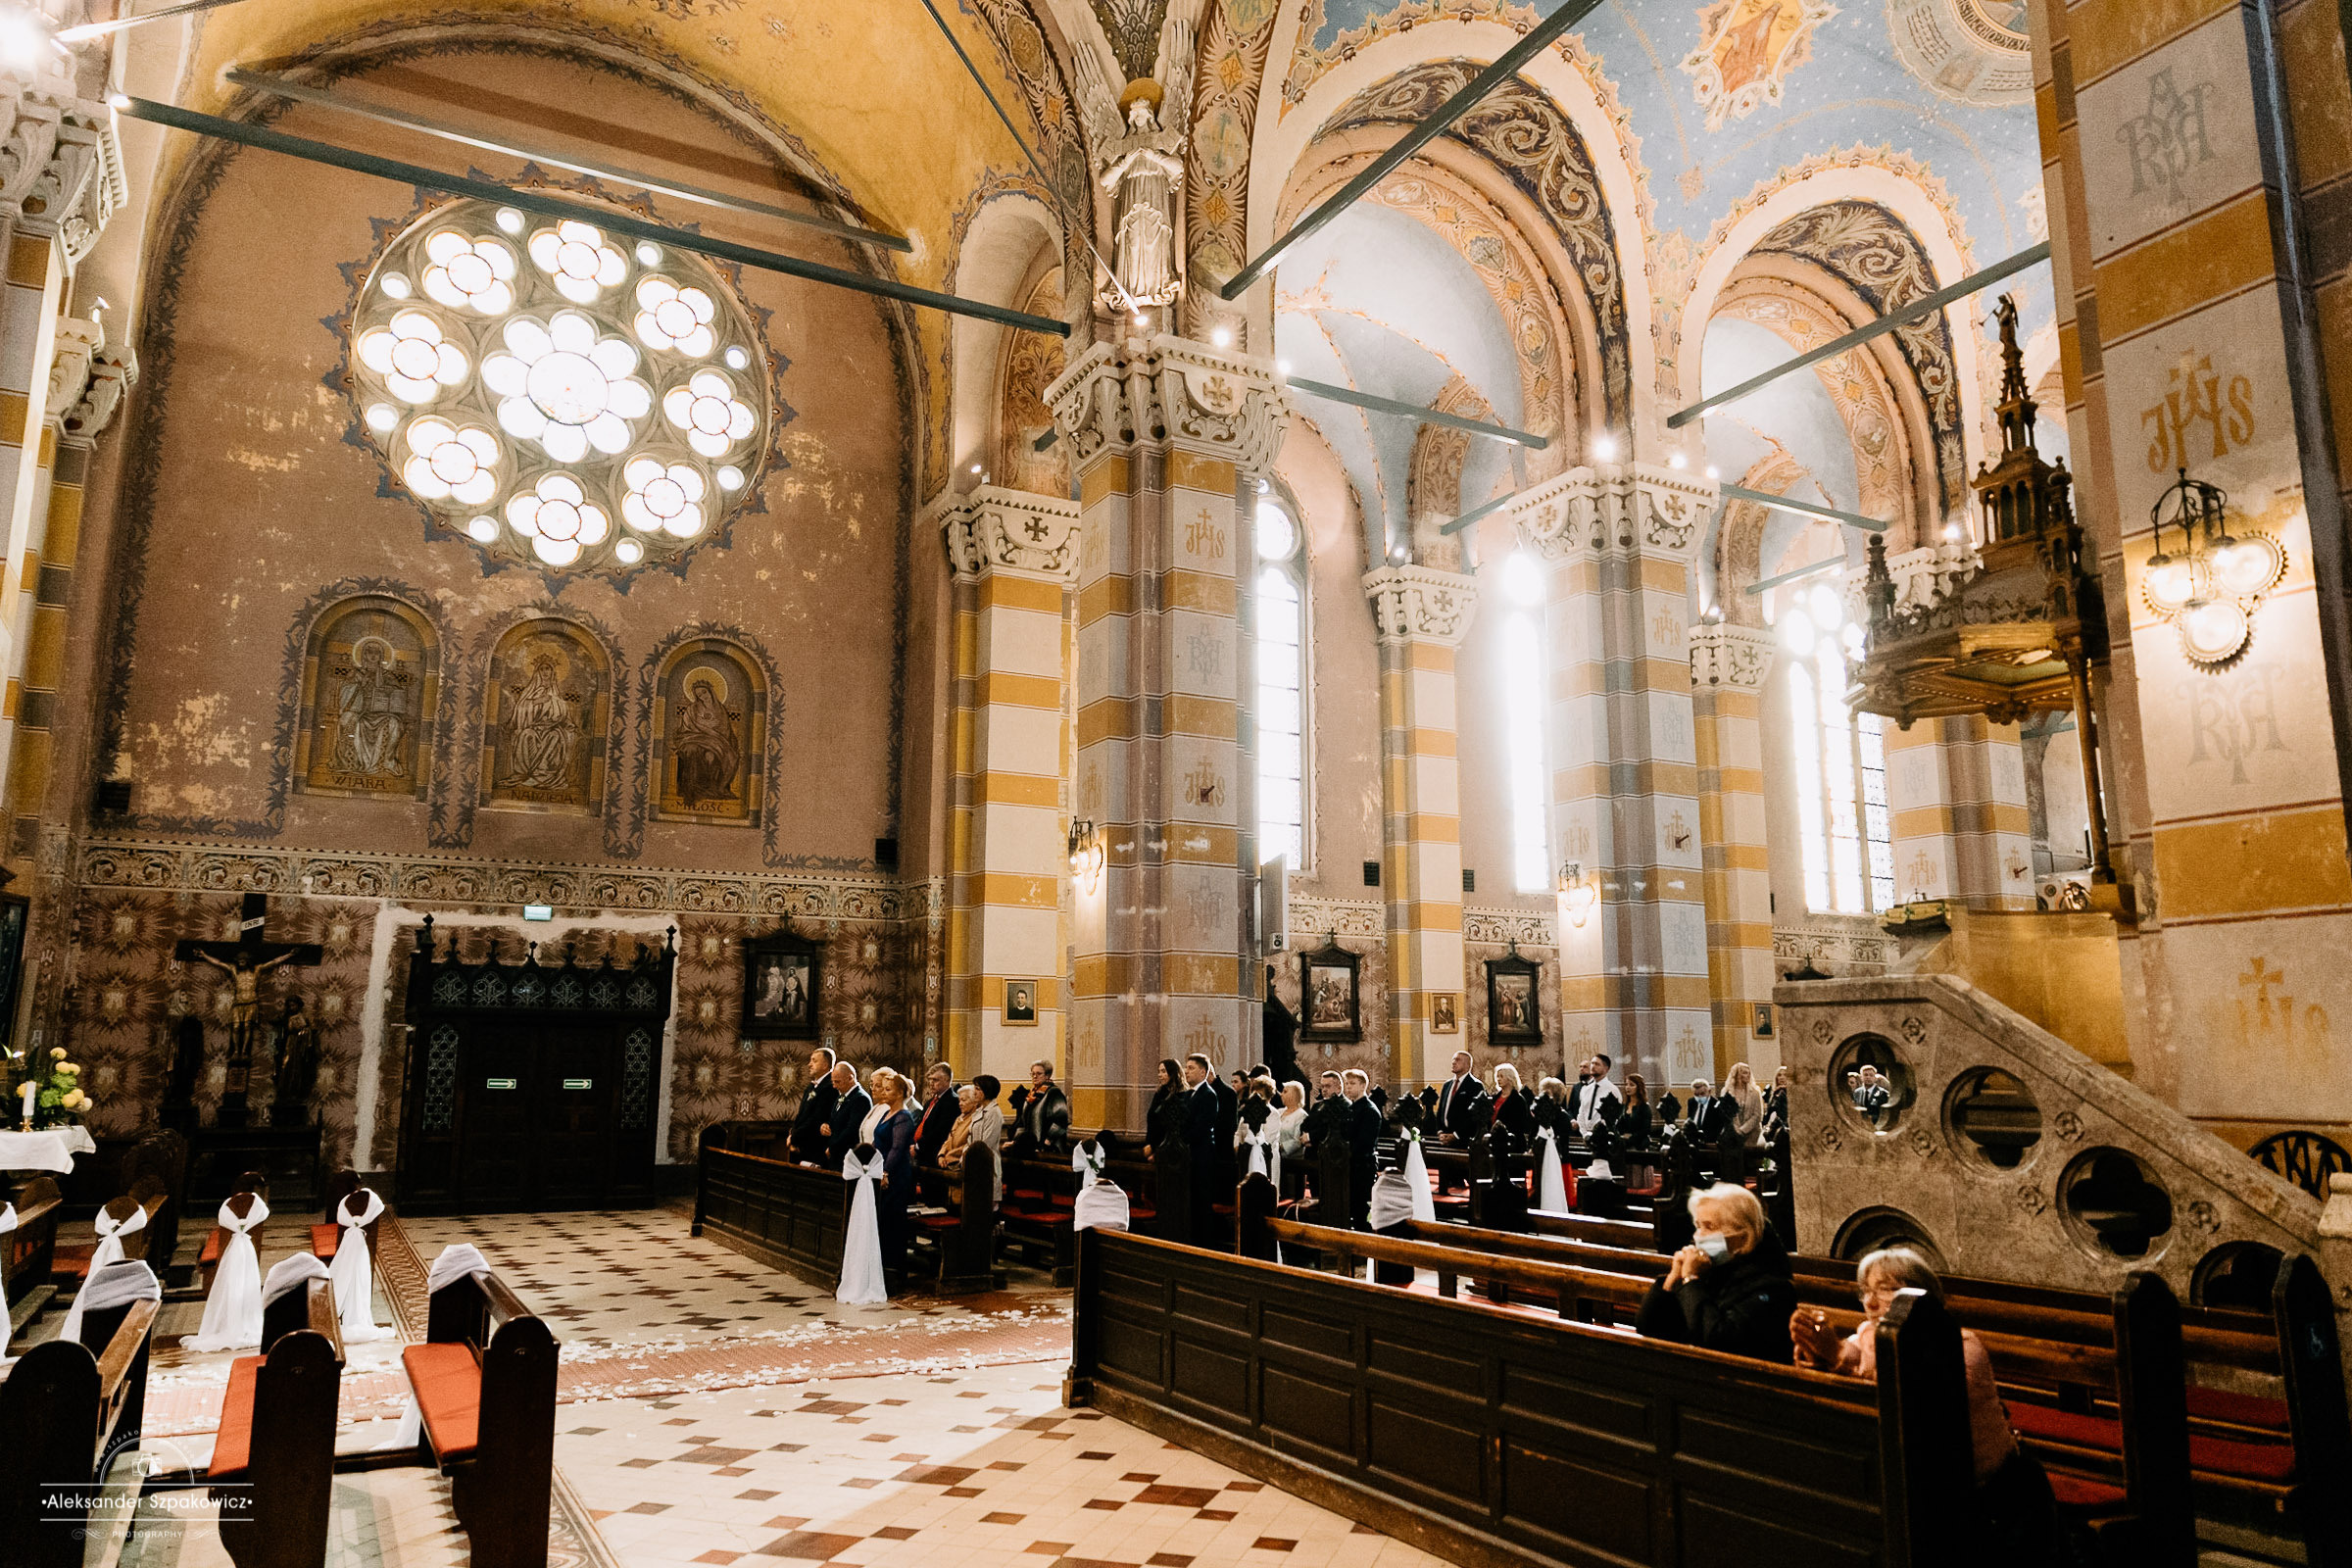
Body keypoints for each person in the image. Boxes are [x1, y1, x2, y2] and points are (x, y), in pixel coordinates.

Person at [1792, 1250, 2076, 1561]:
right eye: (1866, 1291)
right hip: (1914, 1492)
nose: (1870, 1303)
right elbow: (1850, 1361)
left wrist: (1838, 1358)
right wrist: (1815, 1358)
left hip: (1987, 1496)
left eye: (1886, 1290)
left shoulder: (1963, 1346)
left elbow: (1917, 1395)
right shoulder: (1866, 1338)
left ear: (1921, 1296)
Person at [1635, 1182, 1797, 1362]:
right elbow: (1648, 1327)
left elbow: (1718, 1341)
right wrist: (1672, 1279)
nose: (1698, 1236)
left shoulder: (1773, 1287)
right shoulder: (1709, 1271)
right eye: (1698, 1226)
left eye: (1709, 1227)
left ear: (1743, 1238)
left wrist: (1691, 1281)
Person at [864, 1067, 916, 1275]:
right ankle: (881, 1261)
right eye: (883, 1089)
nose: (883, 1092)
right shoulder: (887, 1113)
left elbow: (897, 1148)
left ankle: (895, 1265)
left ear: (900, 1093)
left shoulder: (903, 1117)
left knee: (892, 1218)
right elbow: (878, 1142)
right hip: (879, 1169)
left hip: (896, 1175)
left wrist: (885, 1172)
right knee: (882, 1218)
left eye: (888, 1089)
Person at [936, 1078, 1004, 1203]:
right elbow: (970, 1139)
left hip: (984, 1163)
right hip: (972, 1162)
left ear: (986, 1091)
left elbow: (985, 1144)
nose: (975, 1092)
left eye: (978, 1089)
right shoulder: (980, 1111)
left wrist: (965, 1155)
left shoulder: (993, 1112)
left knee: (984, 1203)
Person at [1338, 1068, 1383, 1225]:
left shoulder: (1369, 1111)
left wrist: (1345, 1153)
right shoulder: (1351, 1108)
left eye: (1352, 1083)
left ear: (1363, 1086)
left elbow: (1364, 1143)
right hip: (1349, 1165)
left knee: (1361, 1210)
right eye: (1347, 1083)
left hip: (1362, 1166)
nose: (1348, 1087)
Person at [790, 1048, 839, 1164]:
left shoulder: (831, 1087)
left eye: (814, 1061)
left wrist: (794, 1138)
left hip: (815, 1147)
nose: (809, 1064)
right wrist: (792, 1134)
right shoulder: (811, 1087)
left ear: (825, 1065)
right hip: (801, 1144)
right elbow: (801, 1114)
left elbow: (817, 1118)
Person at [1014, 1058, 1071, 1154]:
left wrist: (1047, 1142)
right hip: (1030, 1147)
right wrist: (1016, 1141)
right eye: (1033, 1074)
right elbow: (1022, 1121)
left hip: (1049, 1149)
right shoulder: (1031, 1095)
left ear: (1047, 1075)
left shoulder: (1054, 1093)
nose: (1034, 1076)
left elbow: (1061, 1121)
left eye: (1039, 1073)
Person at [822, 1060, 872, 1167]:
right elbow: (836, 1119)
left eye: (837, 1082)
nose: (834, 1086)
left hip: (847, 1156)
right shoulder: (842, 1095)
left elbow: (852, 1130)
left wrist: (833, 1148)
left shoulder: (861, 1099)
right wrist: (826, 1125)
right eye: (833, 1082)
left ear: (850, 1078)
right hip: (836, 1155)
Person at [911, 1061, 959, 1165]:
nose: (931, 1083)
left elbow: (941, 1131)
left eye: (935, 1080)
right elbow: (922, 1124)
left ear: (947, 1080)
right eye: (930, 1079)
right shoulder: (930, 1101)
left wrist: (918, 1146)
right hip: (921, 1153)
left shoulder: (953, 1101)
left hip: (934, 1155)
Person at [1434, 1050, 1485, 1145]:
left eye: (1457, 1060)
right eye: (1453, 1059)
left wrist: (1456, 1135)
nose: (1453, 1062)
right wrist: (1440, 1131)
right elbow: (1440, 1111)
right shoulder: (1447, 1085)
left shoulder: (1475, 1085)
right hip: (1444, 1137)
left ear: (1467, 1065)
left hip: (1463, 1140)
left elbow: (1473, 1116)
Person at [1487, 1062, 1537, 1147]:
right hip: (1494, 1140)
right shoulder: (1495, 1098)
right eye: (1497, 1076)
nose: (1498, 1079)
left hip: (1512, 1141)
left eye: (1501, 1076)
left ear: (1510, 1078)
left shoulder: (1518, 1100)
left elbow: (1520, 1123)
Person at [1572, 1054, 1622, 1137]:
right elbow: (1581, 1113)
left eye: (1597, 1064)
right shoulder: (1585, 1089)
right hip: (1586, 1135)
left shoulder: (1612, 1090)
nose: (1593, 1066)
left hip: (1604, 1136)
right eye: (1592, 1063)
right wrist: (1585, 1134)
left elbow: (1615, 1117)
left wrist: (1599, 1132)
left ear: (1606, 1069)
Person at [1727, 1062, 1766, 1153]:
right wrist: (1736, 1129)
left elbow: (1758, 1115)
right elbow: (1727, 1113)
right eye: (1744, 1073)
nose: (1748, 1075)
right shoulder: (1727, 1092)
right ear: (1737, 1074)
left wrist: (1742, 1130)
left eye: (1749, 1073)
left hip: (1752, 1134)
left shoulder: (1755, 1092)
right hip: (1733, 1134)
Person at [1146, 1058, 1184, 1150]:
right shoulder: (1160, 1093)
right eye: (1159, 1072)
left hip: (1169, 1145)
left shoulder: (1181, 1094)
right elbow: (1152, 1117)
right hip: (1154, 1143)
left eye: (1163, 1071)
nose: (1160, 1075)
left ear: (1172, 1073)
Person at [1618, 1073, 1654, 1148]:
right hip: (1624, 1143)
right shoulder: (1624, 1106)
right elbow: (1619, 1126)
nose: (1628, 1087)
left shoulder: (1644, 1107)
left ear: (1639, 1087)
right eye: (1626, 1084)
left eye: (1631, 1085)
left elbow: (1646, 1130)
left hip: (1639, 1144)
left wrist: (1631, 1137)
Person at [1855, 1063, 1893, 1127]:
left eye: (1871, 1075)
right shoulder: (1857, 1093)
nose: (1868, 1077)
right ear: (1861, 1077)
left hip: (1876, 1125)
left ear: (1875, 1078)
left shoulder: (1882, 1093)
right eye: (1865, 1075)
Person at [1762, 1065, 1789, 1140]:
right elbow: (1768, 1112)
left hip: (1784, 1127)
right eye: (1779, 1075)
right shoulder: (1772, 1092)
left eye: (1785, 1075)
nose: (1782, 1077)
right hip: (1773, 1127)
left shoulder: (1786, 1093)